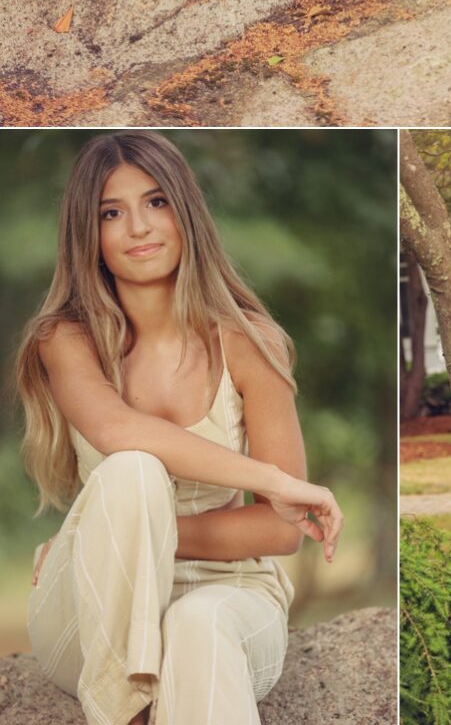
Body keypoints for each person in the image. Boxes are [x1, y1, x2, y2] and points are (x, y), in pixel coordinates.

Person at [18, 131, 343, 725]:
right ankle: (125, 712)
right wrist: (272, 480)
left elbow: (280, 532)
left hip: (228, 592)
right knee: (132, 469)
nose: (138, 227)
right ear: (86, 237)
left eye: (156, 201)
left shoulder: (250, 342)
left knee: (197, 623)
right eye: (110, 213)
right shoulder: (66, 339)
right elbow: (117, 430)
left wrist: (103, 531)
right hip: (88, 613)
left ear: (185, 212)